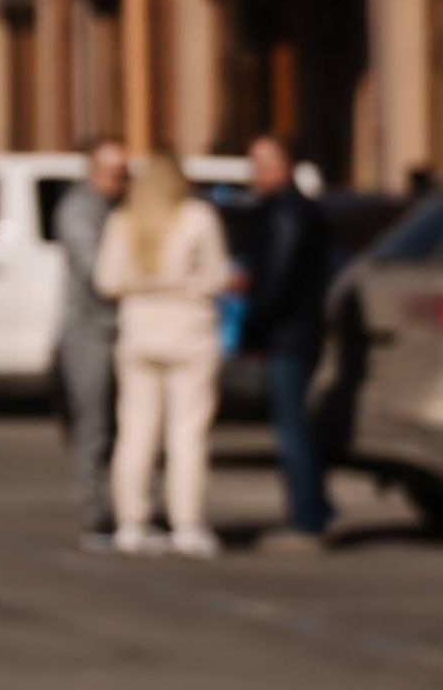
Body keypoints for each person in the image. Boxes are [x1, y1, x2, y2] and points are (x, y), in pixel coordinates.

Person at [95, 148, 232, 556]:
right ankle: (186, 522)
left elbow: (106, 280)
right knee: (187, 432)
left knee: (136, 430)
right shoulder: (198, 217)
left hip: (139, 330)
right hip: (188, 330)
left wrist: (146, 287)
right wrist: (184, 286)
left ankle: (131, 522)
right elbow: (218, 275)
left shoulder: (125, 220)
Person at [240, 132, 333, 546]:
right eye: (252, 163)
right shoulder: (283, 210)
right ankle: (314, 508)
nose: (254, 173)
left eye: (262, 164)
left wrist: (252, 324)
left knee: (293, 429)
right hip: (293, 332)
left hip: (290, 335)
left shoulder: (288, 213)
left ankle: (307, 518)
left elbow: (277, 278)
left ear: (286, 166)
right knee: (297, 426)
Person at [52, 136, 129, 550]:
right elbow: (96, 272)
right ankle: (97, 513)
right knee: (93, 424)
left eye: (124, 173)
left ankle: (133, 508)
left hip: (130, 330)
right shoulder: (78, 209)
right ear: (93, 172)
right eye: (113, 174)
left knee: (130, 428)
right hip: (90, 332)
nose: (121, 182)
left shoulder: (126, 207)